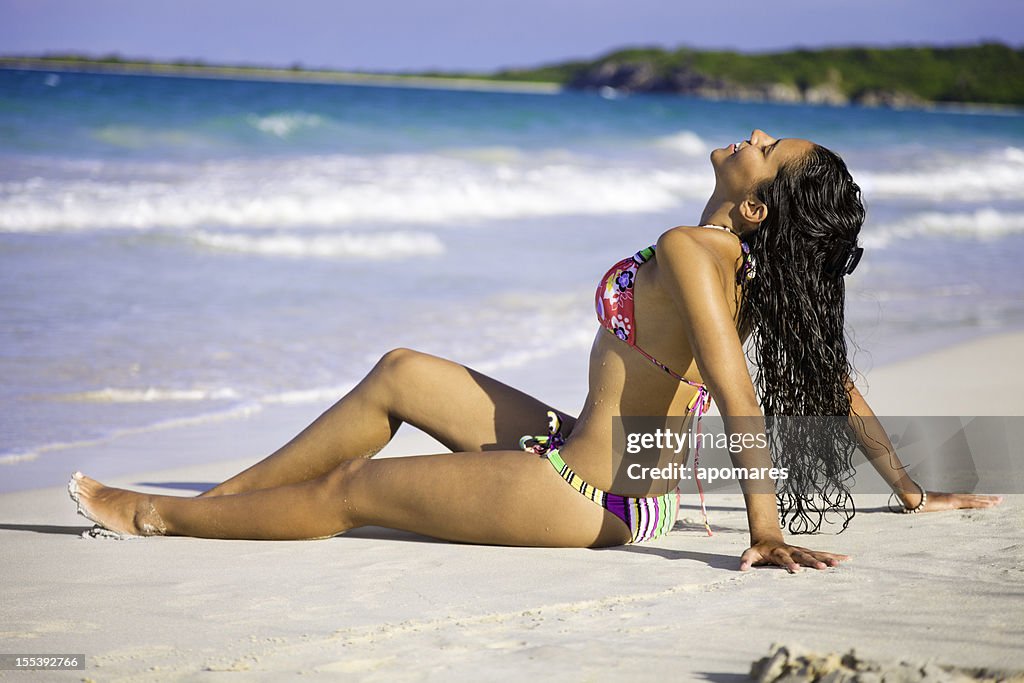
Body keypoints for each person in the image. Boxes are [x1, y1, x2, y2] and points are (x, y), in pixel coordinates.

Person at [67, 129, 1002, 571]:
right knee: (401, 372)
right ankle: (229, 500)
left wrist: (764, 526)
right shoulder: (738, 266)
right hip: (610, 465)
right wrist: (912, 491)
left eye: (768, 148)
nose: (753, 134)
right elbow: (832, 385)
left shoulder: (693, 245)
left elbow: (738, 390)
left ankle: (164, 518)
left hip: (589, 493)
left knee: (352, 494)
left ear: (755, 206)